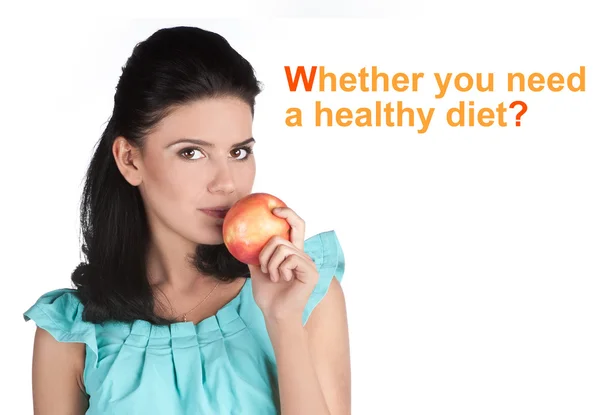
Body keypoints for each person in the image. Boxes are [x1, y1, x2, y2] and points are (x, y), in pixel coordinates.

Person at [23, 26, 350, 414]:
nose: (226, 183)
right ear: (130, 159)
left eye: (239, 152)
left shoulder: (304, 293)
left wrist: (284, 323)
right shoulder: (71, 334)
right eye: (192, 153)